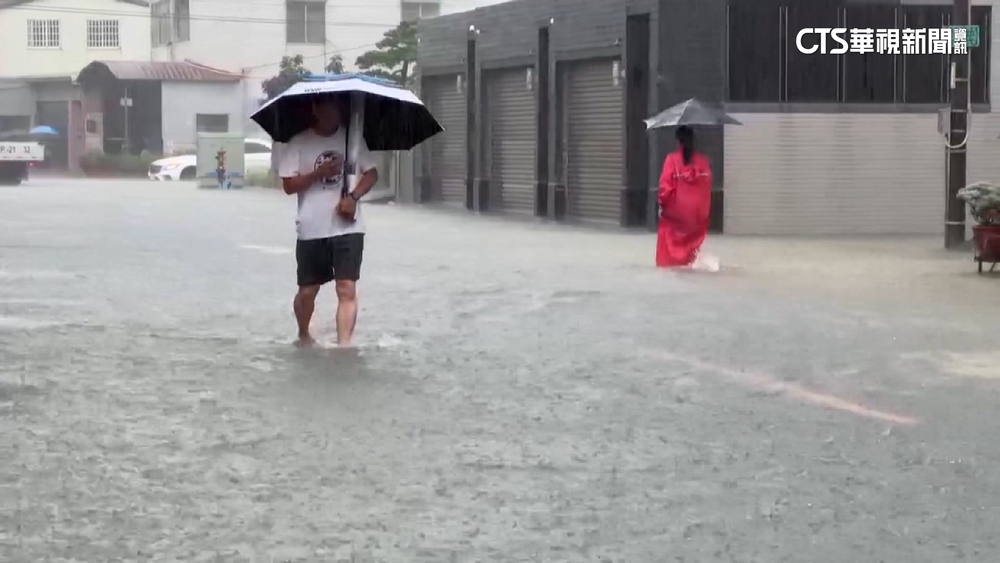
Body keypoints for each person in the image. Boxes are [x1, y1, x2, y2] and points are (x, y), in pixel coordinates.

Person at [278, 97, 379, 347]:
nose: (331, 114)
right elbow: (289, 186)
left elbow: (372, 173)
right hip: (311, 228)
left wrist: (354, 197)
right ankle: (303, 334)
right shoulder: (299, 143)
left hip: (348, 227)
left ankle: (344, 346)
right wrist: (318, 173)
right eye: (326, 109)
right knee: (307, 292)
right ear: (315, 110)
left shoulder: (352, 140)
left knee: (346, 288)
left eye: (336, 109)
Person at [656, 126, 713, 268]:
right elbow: (707, 186)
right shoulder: (703, 161)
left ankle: (672, 262)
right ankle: (690, 262)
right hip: (698, 213)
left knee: (669, 234)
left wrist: (662, 204)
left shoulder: (672, 159)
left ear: (678, 139)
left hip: (677, 211)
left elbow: (666, 187)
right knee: (692, 240)